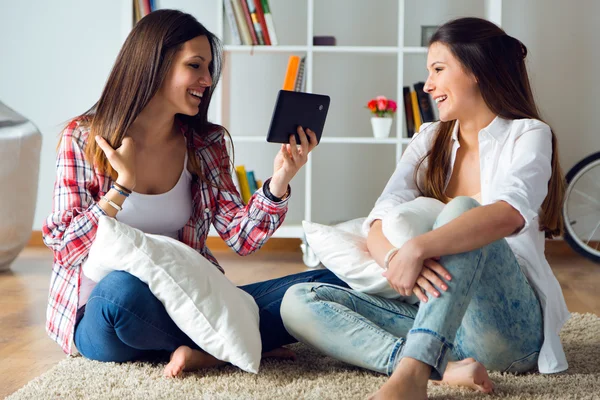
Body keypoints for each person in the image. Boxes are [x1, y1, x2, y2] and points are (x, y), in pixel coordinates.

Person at [42, 9, 347, 378]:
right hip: (105, 315)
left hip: (193, 302)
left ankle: (207, 347)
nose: (207, 79)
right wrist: (121, 187)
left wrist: (280, 179)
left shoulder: (205, 143)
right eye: (196, 66)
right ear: (154, 65)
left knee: (331, 282)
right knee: (120, 292)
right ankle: (223, 347)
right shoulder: (84, 139)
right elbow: (64, 245)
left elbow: (242, 237)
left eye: (209, 69)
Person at [281, 17, 570, 399]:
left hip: (508, 333)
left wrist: (420, 248)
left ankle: (413, 375)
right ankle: (444, 368)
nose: (428, 85)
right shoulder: (429, 137)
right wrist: (397, 258)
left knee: (465, 210)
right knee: (298, 301)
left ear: (477, 70)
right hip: (435, 321)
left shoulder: (529, 134)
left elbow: (508, 213)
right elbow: (379, 219)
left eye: (437, 69)